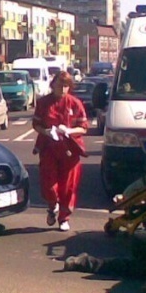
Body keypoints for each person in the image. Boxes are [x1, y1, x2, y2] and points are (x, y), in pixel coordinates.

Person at [32, 70, 89, 232]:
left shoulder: (75, 103)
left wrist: (70, 131)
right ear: (53, 85)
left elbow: (84, 128)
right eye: (59, 85)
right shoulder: (44, 103)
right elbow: (36, 125)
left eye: (66, 86)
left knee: (68, 186)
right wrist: (46, 132)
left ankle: (64, 217)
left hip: (70, 150)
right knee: (49, 184)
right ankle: (52, 205)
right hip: (49, 147)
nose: (63, 89)